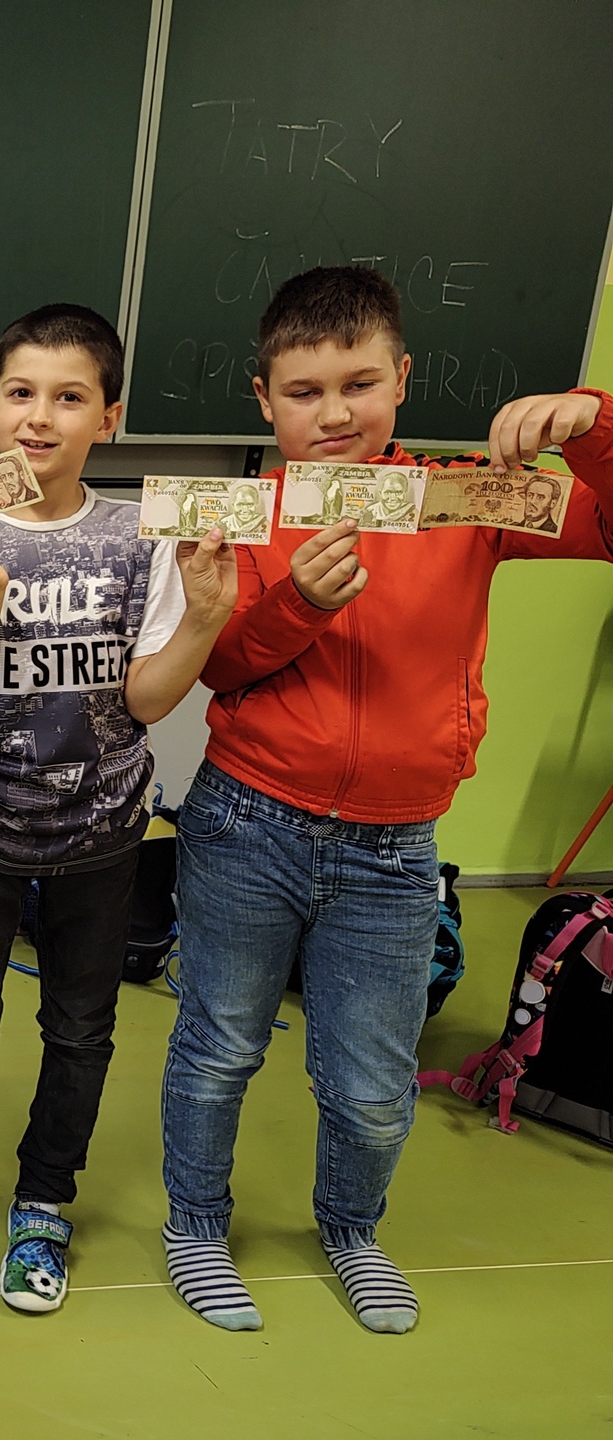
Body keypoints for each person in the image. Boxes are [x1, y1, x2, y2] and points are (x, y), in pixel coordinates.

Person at [161, 264, 613, 1336]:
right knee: (218, 1046)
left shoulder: (469, 498)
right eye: (304, 391)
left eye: (358, 385)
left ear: (402, 379)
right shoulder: (241, 515)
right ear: (264, 399)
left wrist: (595, 425)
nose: (334, 414)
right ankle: (195, 1224)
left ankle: (352, 1230)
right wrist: (296, 608)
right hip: (246, 822)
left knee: (371, 1081)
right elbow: (217, 667)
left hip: (396, 849)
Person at [0, 304, 237, 1313]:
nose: (41, 416)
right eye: (22, 393)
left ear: (108, 417)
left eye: (70, 396)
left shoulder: (140, 539)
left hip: (103, 835)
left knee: (81, 1031)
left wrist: (205, 619)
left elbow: (147, 701)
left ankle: (44, 1200)